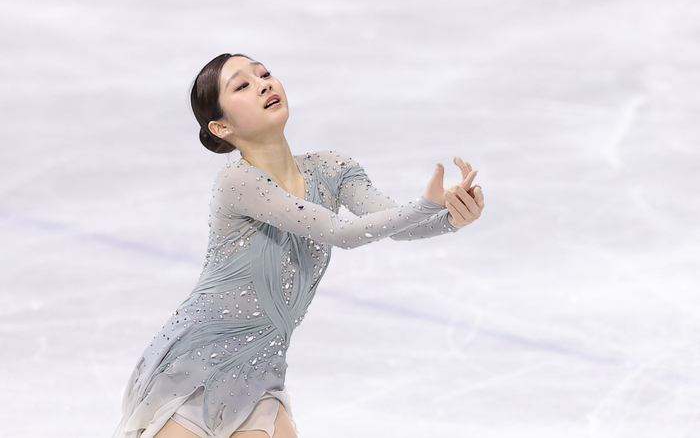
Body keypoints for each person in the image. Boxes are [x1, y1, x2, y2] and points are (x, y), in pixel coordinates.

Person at [112, 53, 485, 438]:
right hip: (192, 371)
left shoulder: (332, 168)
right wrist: (424, 207)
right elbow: (342, 232)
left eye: (264, 74)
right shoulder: (238, 181)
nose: (263, 84)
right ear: (221, 127)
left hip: (259, 373)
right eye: (243, 85)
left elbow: (390, 223)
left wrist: (452, 218)